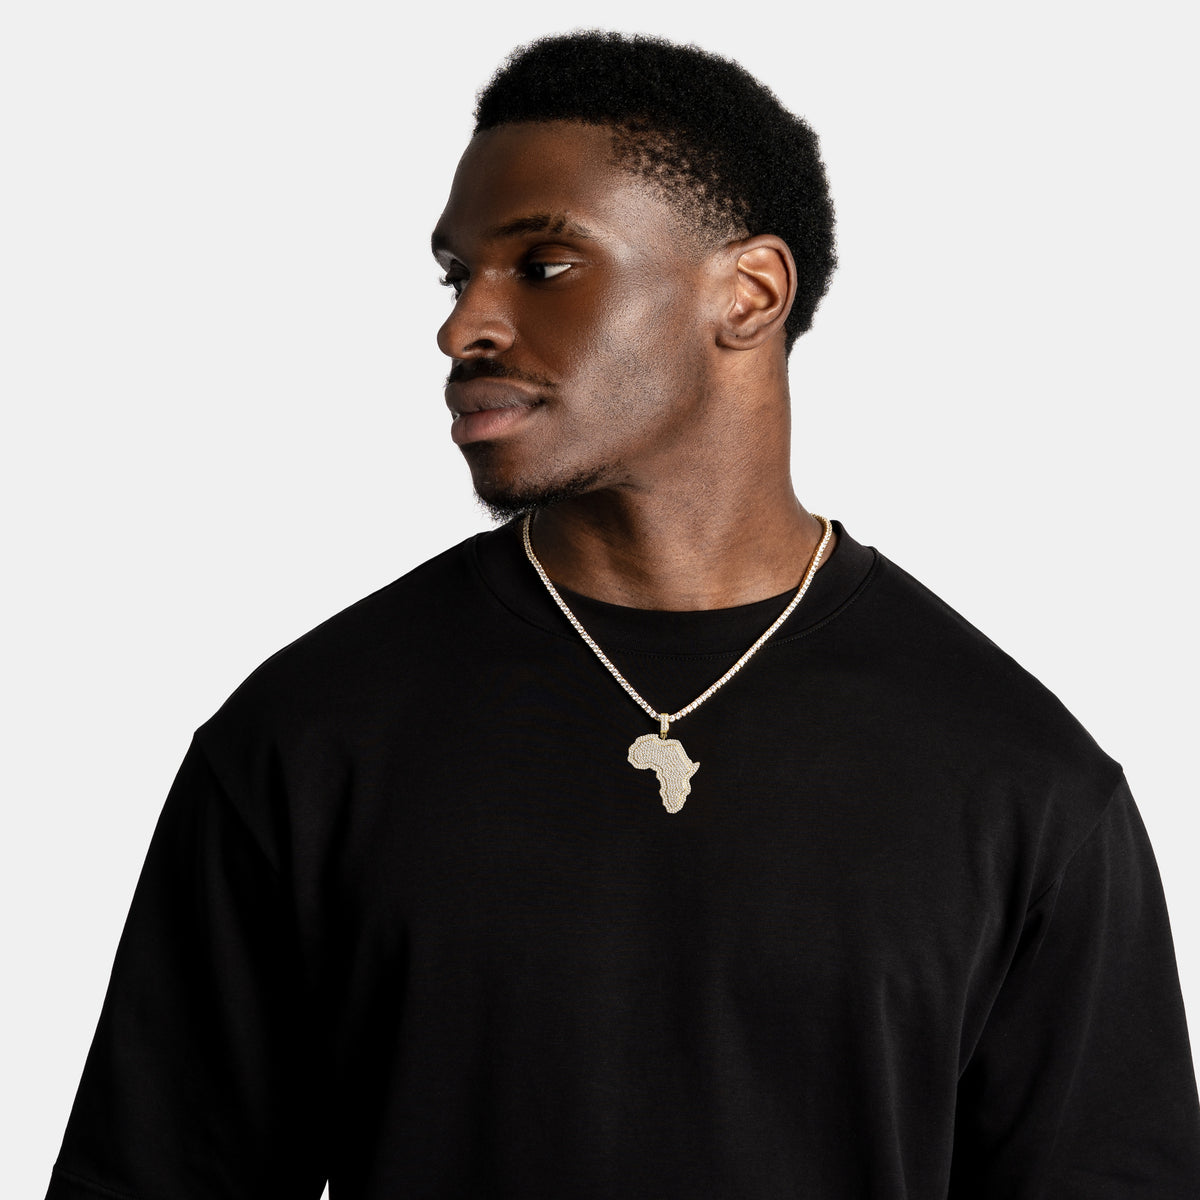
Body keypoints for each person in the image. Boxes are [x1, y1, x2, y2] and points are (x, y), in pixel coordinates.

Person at [46, 31, 1200, 1199]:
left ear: (749, 294)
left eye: (543, 266)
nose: (463, 326)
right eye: (457, 276)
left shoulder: (1019, 779)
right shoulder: (307, 738)